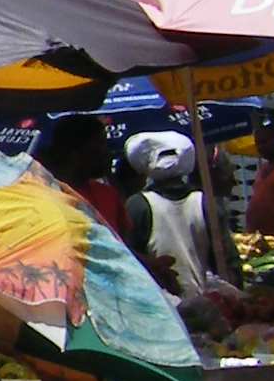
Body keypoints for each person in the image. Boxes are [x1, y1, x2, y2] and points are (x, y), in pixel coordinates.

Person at [129, 131, 214, 291]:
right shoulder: (204, 201)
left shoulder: (137, 205)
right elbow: (226, 258)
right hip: (205, 299)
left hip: (161, 306)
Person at [38, 118, 129, 243]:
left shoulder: (108, 194)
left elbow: (126, 251)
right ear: (73, 152)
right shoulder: (39, 196)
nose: (106, 153)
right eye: (99, 145)